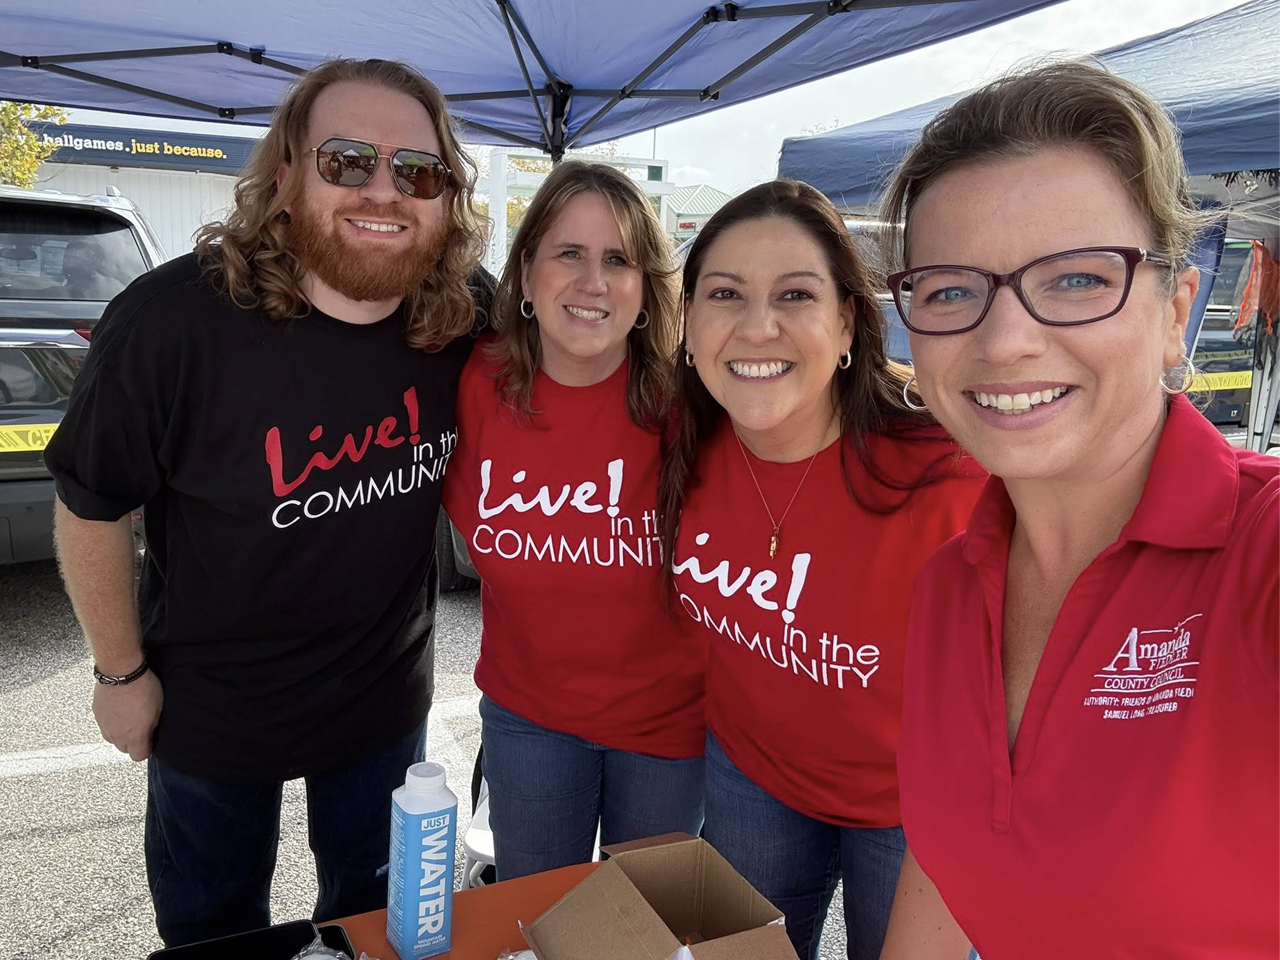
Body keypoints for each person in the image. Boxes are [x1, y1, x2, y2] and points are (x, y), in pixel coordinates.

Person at [44, 58, 491, 947]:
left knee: (376, 931)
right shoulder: (172, 322)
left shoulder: (462, 315)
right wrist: (118, 675)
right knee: (212, 934)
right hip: (209, 711)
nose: (384, 190)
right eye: (346, 160)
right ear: (284, 173)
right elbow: (92, 506)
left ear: (445, 200)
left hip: (383, 705)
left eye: (418, 172)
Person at [878, 61, 1280, 960]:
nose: (1004, 340)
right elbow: (947, 861)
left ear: (1177, 311)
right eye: (950, 289)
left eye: (1074, 279)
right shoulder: (948, 587)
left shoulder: (1261, 556)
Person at [658, 179, 984, 960]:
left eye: (795, 294)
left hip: (916, 814)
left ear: (847, 324)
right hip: (750, 778)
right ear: (691, 320)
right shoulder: (682, 443)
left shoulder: (953, 472)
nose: (757, 326)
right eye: (726, 293)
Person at [442, 161, 705, 880]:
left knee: (644, 933)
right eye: (569, 254)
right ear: (527, 275)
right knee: (537, 915)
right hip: (529, 722)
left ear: (646, 289)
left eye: (618, 260)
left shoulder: (693, 406)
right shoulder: (472, 385)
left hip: (669, 730)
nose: (594, 283)